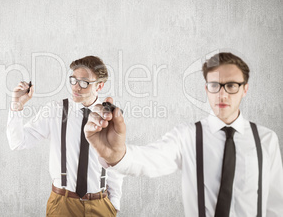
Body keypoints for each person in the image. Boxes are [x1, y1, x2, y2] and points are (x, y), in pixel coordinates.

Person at [85, 52, 283, 216]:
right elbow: (151, 160)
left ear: (245, 89)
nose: (222, 94)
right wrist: (116, 155)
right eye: (215, 86)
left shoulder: (266, 139)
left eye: (231, 85)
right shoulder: (188, 135)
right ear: (206, 89)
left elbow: (275, 206)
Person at [7, 56, 123, 216]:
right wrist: (17, 106)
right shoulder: (55, 111)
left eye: (84, 83)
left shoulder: (110, 117)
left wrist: (113, 204)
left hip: (100, 205)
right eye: (73, 80)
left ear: (100, 85)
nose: (76, 87)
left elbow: (115, 165)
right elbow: (17, 142)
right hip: (63, 204)